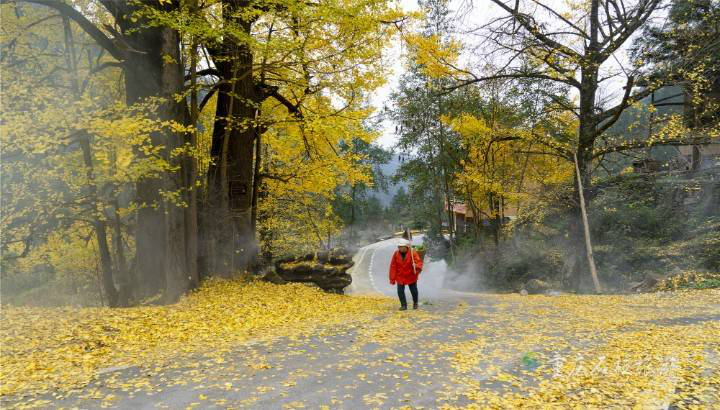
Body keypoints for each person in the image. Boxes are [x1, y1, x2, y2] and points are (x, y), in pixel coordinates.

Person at [388, 238, 423, 310]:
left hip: (411, 275)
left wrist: (415, 265)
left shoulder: (412, 253)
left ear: (406, 247)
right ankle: (404, 305)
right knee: (400, 291)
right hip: (400, 275)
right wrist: (392, 278)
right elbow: (393, 266)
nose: (399, 248)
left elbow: (419, 262)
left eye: (401, 246)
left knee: (413, 290)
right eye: (399, 246)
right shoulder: (396, 253)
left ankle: (415, 303)